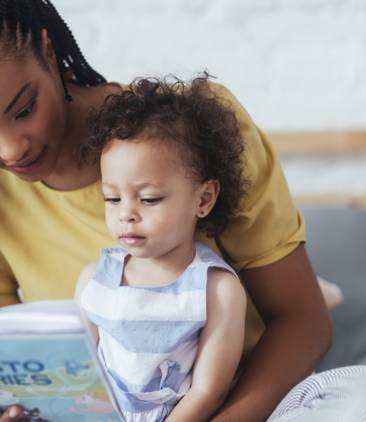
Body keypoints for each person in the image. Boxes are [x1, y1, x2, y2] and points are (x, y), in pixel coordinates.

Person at [0, 1, 366, 421]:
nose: (12, 149)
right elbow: (12, 382)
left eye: (24, 108)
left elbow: (303, 321)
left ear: (47, 51)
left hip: (257, 410)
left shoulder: (190, 133)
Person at [74, 76, 248, 422]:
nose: (126, 214)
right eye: (112, 198)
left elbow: (207, 391)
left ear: (204, 198)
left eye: (149, 198)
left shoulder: (216, 289)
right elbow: (82, 375)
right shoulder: (96, 279)